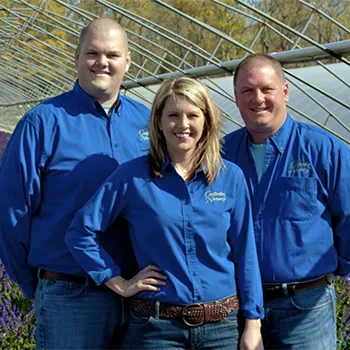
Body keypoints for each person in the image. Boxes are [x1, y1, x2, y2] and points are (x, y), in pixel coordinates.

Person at [65, 77, 265, 350]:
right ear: (158, 121)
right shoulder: (133, 177)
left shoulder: (230, 178)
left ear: (206, 120)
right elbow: (80, 232)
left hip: (222, 330)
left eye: (193, 115)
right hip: (157, 330)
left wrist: (253, 322)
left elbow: (246, 252)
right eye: (173, 115)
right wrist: (118, 282)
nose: (183, 125)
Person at [0, 18, 150, 350]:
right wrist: (33, 285)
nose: (102, 63)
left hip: (140, 298)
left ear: (128, 61)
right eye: (92, 53)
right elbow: (10, 213)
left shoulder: (148, 122)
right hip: (71, 295)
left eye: (112, 54)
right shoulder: (42, 123)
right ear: (77, 58)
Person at [223, 53, 350, 349]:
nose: (258, 98)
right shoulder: (222, 154)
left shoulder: (324, 150)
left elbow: (348, 219)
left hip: (306, 307)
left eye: (267, 89)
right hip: (238, 307)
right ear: (237, 97)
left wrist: (335, 272)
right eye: (247, 91)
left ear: (285, 92)